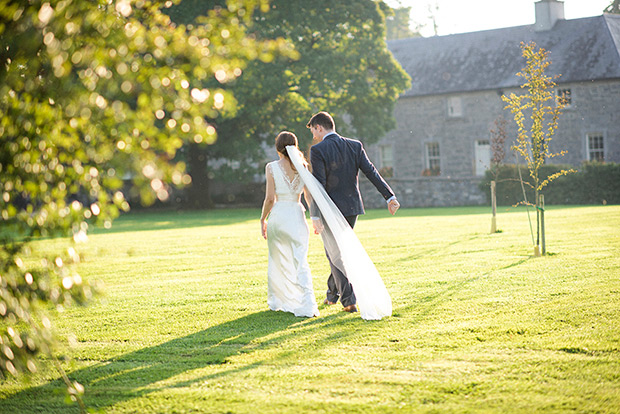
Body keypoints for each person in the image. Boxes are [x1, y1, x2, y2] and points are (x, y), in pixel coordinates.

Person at [307, 111, 400, 313]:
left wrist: (315, 215)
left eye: (314, 131)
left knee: (335, 254)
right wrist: (390, 197)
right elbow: (372, 172)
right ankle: (332, 295)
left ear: (320, 127)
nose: (314, 136)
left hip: (330, 209)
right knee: (339, 251)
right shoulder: (355, 145)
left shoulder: (318, 150)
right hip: (351, 208)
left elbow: (319, 186)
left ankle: (348, 301)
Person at [260, 131, 319, 318]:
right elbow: (309, 197)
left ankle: (278, 300)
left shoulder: (271, 167)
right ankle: (307, 301)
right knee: (300, 259)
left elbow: (270, 199)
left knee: (277, 258)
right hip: (296, 214)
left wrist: (263, 219)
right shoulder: (303, 166)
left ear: (278, 147)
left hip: (278, 216)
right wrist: (315, 218)